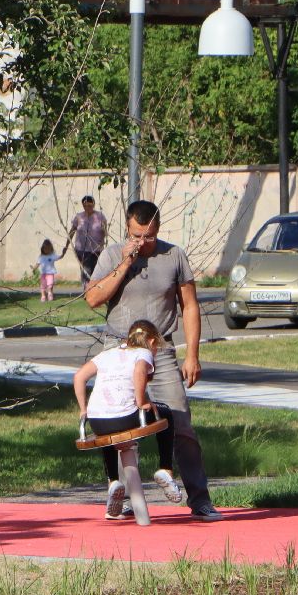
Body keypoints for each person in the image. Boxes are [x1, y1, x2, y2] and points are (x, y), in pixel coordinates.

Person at [83, 199, 222, 521]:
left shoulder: (173, 255)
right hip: (119, 350)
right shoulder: (111, 254)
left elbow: (189, 306)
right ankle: (126, 498)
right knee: (121, 426)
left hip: (162, 351)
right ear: (127, 228)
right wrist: (124, 263)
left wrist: (193, 355)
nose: (143, 242)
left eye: (149, 236)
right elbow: (93, 299)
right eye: (137, 235)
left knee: (182, 424)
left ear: (157, 229)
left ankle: (200, 500)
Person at [72, 319, 184, 519]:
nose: (156, 351)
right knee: (166, 413)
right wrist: (141, 402)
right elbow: (140, 371)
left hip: (97, 420)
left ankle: (113, 481)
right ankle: (166, 468)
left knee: (107, 431)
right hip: (126, 418)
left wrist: (83, 410)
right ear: (151, 341)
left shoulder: (107, 354)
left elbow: (79, 377)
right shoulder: (143, 352)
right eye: (157, 346)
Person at [65, 195, 108, 284]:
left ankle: (93, 291)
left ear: (93, 205)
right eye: (85, 206)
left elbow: (105, 232)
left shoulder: (100, 216)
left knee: (96, 272)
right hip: (82, 250)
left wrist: (103, 243)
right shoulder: (79, 217)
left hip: (96, 250)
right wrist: (66, 245)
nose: (87, 208)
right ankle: (86, 291)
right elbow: (72, 231)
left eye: (90, 205)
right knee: (86, 271)